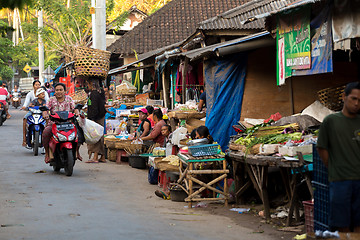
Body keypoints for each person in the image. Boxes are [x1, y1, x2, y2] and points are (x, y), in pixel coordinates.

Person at [317, 82, 360, 232]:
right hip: (340, 181)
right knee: (342, 226)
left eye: (359, 100)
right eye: (353, 99)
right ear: (344, 97)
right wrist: (334, 167)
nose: (356, 104)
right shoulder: (331, 121)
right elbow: (322, 148)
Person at [42, 83, 80, 163]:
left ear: (65, 91)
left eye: (61, 90)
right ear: (54, 91)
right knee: (45, 133)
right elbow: (45, 109)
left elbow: (74, 108)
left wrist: (77, 112)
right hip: (54, 124)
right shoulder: (51, 99)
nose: (59, 92)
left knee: (79, 133)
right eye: (57, 90)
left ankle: (77, 152)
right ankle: (47, 154)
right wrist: (45, 114)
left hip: (68, 124)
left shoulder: (69, 99)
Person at [22, 80, 49, 146]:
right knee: (25, 118)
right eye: (36, 85)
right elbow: (27, 103)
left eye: (39, 85)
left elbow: (48, 102)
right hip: (32, 111)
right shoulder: (30, 94)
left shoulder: (44, 93)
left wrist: (46, 107)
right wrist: (25, 106)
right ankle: (24, 139)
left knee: (48, 119)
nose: (37, 86)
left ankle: (48, 134)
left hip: (42, 111)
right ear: (33, 86)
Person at [86, 79, 106, 163]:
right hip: (100, 116)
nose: (88, 86)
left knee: (95, 137)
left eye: (88, 83)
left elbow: (94, 108)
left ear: (92, 84)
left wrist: (92, 119)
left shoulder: (94, 94)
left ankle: (95, 157)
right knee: (99, 136)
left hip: (96, 118)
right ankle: (102, 157)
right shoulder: (100, 92)